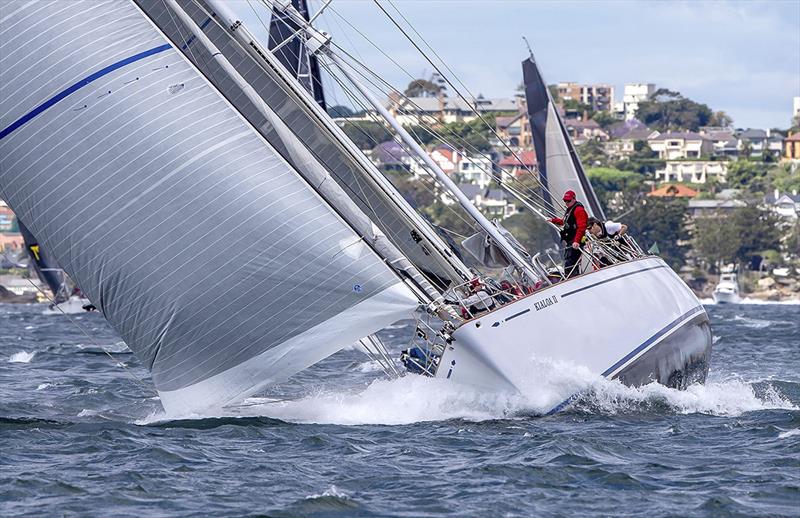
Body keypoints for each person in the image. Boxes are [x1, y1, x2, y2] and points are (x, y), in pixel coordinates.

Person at [548, 190, 587, 278]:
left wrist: (577, 241)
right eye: (565, 200)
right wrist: (553, 220)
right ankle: (573, 276)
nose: (566, 203)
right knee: (569, 261)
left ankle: (574, 277)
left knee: (571, 263)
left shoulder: (578, 210)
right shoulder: (570, 209)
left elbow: (582, 227)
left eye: (568, 201)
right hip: (571, 241)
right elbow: (564, 222)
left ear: (574, 199)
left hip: (576, 240)